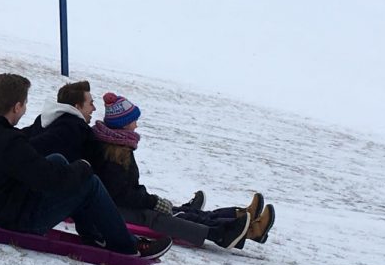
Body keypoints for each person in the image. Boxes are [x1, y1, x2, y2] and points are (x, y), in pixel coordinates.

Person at [0, 73, 172, 259]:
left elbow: (34, 168)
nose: (24, 109)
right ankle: (128, 246)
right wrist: (83, 167)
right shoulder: (8, 141)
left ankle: (95, 234)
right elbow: (49, 180)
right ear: (17, 106)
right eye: (24, 105)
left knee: (58, 160)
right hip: (6, 220)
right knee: (88, 183)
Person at [89, 92, 275, 249]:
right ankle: (223, 233)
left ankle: (241, 219)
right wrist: (152, 201)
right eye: (133, 121)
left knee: (175, 212)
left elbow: (125, 191)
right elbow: (121, 194)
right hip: (114, 208)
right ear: (123, 124)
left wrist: (150, 200)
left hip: (119, 203)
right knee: (163, 217)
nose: (136, 126)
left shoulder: (117, 147)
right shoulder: (112, 154)